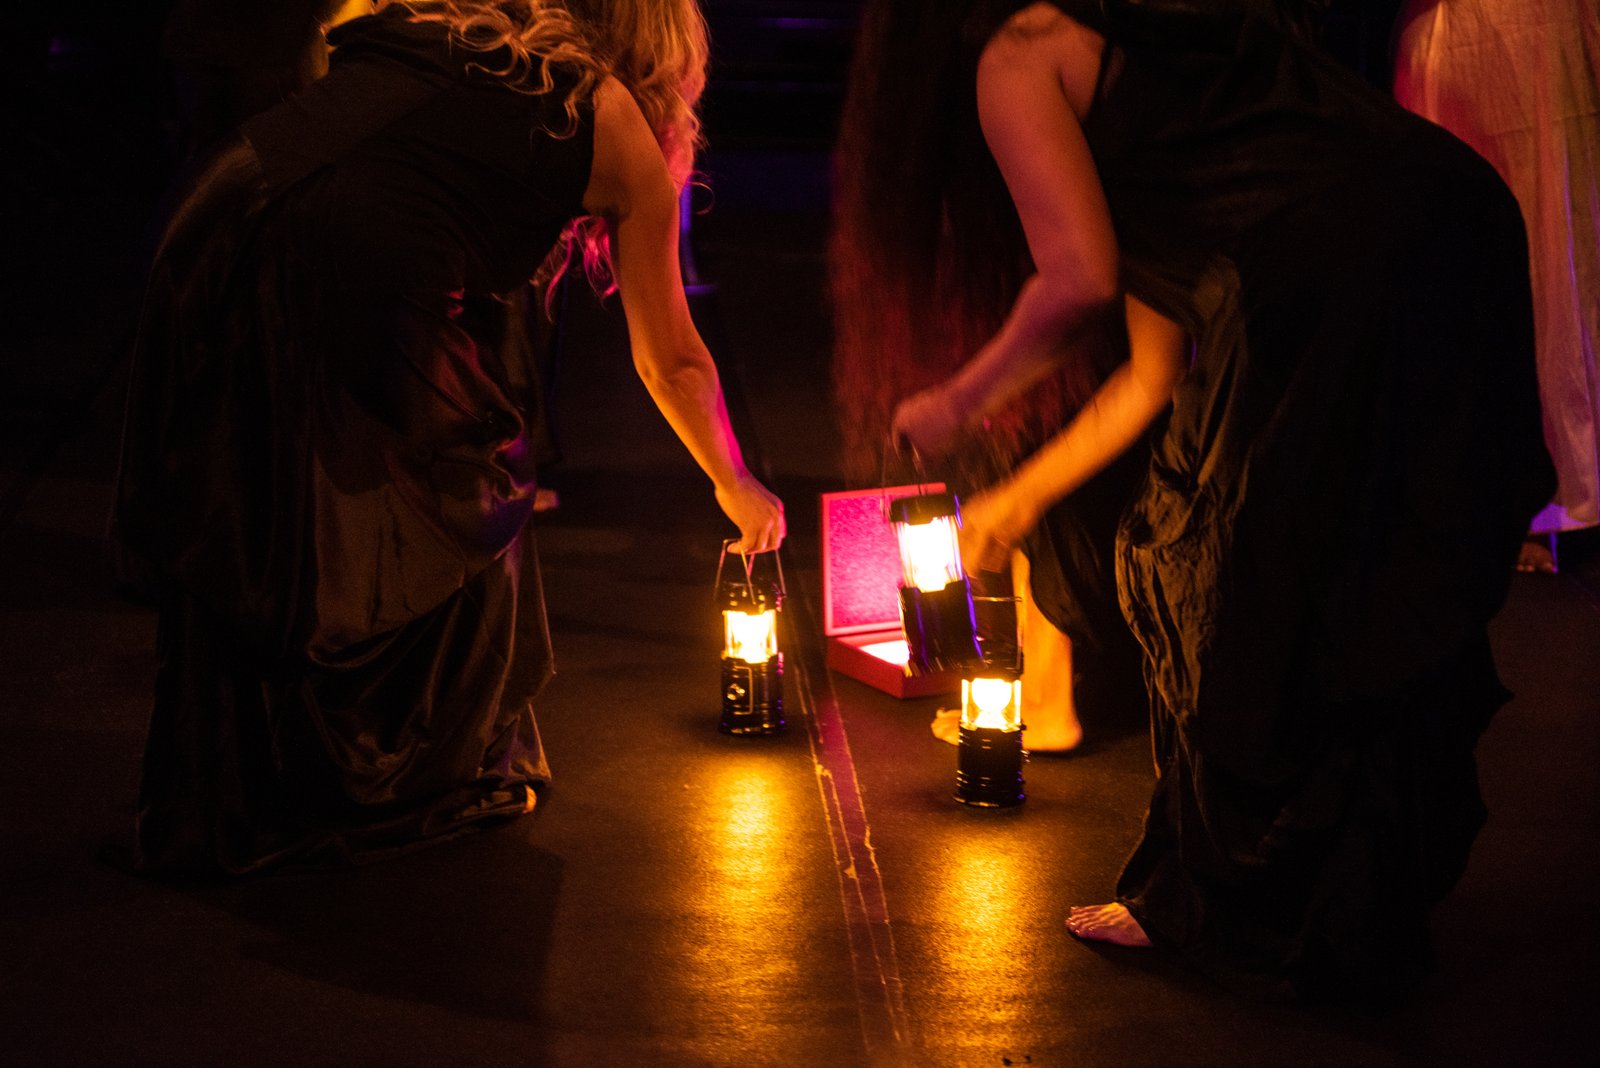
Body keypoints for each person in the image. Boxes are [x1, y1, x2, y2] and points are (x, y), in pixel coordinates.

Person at [841, 0, 1552, 1000]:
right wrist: (1014, 501)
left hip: (1353, 272)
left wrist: (957, 400)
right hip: (1451, 228)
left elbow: (1076, 282)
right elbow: (1149, 376)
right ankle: (1327, 907)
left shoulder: (1020, 52)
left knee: (1215, 570)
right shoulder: (1150, 74)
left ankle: (1230, 904)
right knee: (1346, 573)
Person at [112, 0, 784, 875]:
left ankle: (246, 789)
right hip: (342, 254)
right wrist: (735, 482)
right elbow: (674, 364)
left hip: (221, 213)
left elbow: (340, 43)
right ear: (664, 59)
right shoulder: (608, 114)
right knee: (469, 481)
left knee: (266, 489)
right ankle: (394, 775)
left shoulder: (470, 34)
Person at [1394, 0, 1600, 574]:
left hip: (1548, 30)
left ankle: (1543, 497)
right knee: (1476, 256)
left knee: (1563, 244)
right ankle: (1505, 500)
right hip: (1463, 36)